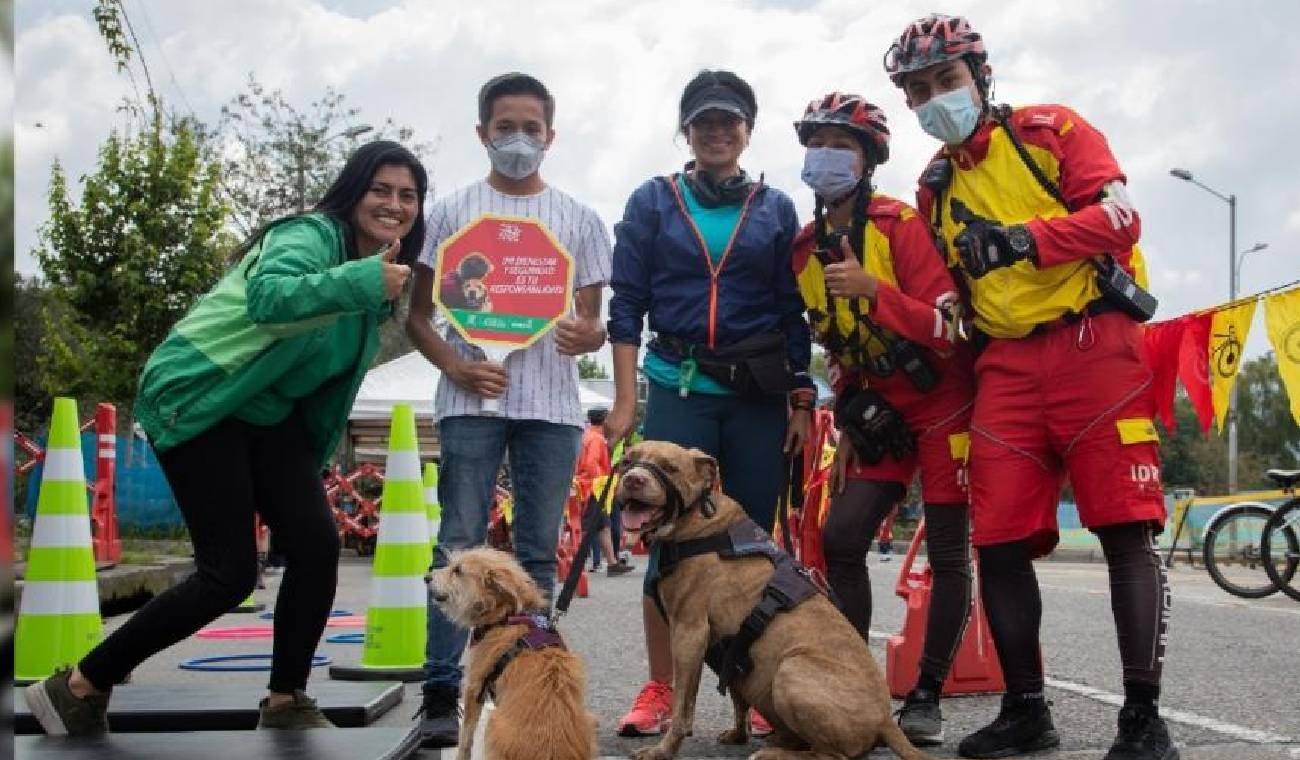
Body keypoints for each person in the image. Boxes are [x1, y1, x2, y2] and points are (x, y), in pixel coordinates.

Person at [24, 140, 427, 735]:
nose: (394, 204)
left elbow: (325, 386)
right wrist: (364, 279)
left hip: (267, 415)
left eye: (408, 195)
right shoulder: (313, 237)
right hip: (202, 395)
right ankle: (78, 685)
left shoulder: (380, 284)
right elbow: (269, 300)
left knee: (316, 545)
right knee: (230, 573)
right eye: (381, 190)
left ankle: (287, 701)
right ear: (353, 192)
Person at [885, 14, 1174, 760]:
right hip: (1006, 365)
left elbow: (1122, 218)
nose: (934, 99)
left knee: (1122, 530)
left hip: (1093, 347)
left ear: (981, 76)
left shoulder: (1052, 131)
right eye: (918, 91)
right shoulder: (934, 184)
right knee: (1001, 543)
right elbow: (949, 289)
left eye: (945, 81)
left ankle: (1142, 719)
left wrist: (1025, 240)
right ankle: (1026, 709)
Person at [405, 71, 612, 750]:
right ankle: (441, 688)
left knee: (536, 554)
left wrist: (590, 335)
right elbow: (417, 316)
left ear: (550, 136)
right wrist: (455, 364)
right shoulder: (450, 212)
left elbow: (592, 321)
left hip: (551, 407)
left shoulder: (579, 219)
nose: (518, 140)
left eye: (531, 128)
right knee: (457, 541)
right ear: (482, 133)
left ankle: (526, 687)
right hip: (471, 401)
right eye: (505, 127)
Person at [605, 69, 813, 739]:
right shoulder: (653, 200)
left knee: (754, 550)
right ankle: (661, 688)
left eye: (730, 120)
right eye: (703, 121)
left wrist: (802, 397)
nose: (717, 131)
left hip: (757, 395)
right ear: (686, 131)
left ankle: (751, 692)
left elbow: (793, 308)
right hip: (680, 386)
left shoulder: (777, 207)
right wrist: (626, 398)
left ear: (748, 130)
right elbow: (627, 304)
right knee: (665, 544)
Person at [789, 91, 974, 746]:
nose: (828, 157)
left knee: (950, 548)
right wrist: (848, 401)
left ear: (869, 160)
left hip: (943, 400)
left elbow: (953, 328)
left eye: (843, 145)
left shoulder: (900, 226)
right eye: (818, 143)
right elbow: (830, 339)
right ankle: (858, 686)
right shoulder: (803, 247)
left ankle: (925, 695)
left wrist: (878, 292)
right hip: (879, 410)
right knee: (841, 538)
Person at [576, 407, 633, 576]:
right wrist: (603, 482)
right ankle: (577, 563)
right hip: (594, 487)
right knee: (587, 527)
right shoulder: (597, 440)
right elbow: (591, 464)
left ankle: (612, 563)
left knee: (603, 526)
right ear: (606, 421)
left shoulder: (587, 435)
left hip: (589, 486)